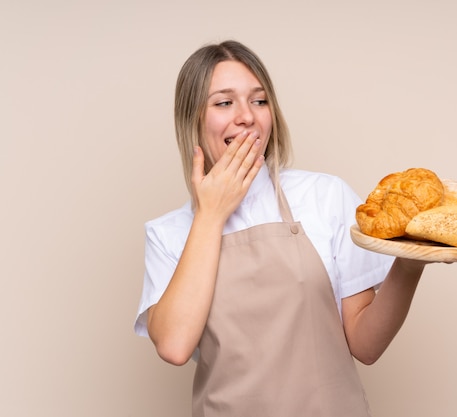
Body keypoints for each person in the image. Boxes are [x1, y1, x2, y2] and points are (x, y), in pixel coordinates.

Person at [134, 40, 431, 417]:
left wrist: (410, 262)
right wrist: (210, 215)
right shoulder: (169, 233)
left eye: (259, 101)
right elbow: (174, 345)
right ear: (192, 119)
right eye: (224, 102)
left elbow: (366, 345)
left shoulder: (325, 196)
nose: (246, 117)